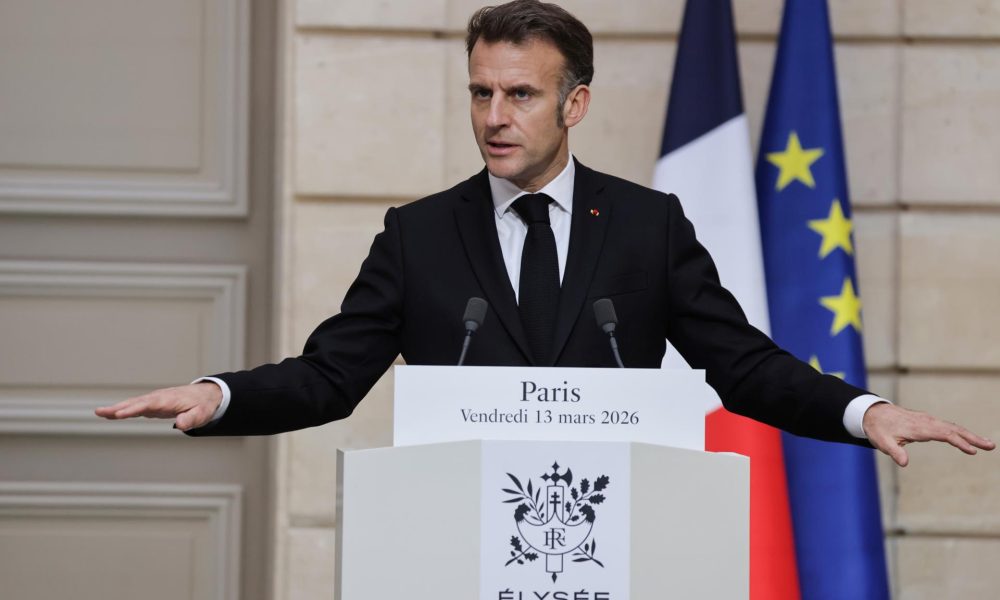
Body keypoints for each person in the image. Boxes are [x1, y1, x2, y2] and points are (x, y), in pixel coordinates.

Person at [97, 0, 992, 468]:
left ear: (575, 104)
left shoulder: (648, 226)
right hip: (457, 544)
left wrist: (862, 409)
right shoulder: (419, 236)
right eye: (481, 92)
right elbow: (332, 378)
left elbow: (741, 364)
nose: (494, 116)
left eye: (520, 94)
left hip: (616, 541)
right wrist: (221, 394)